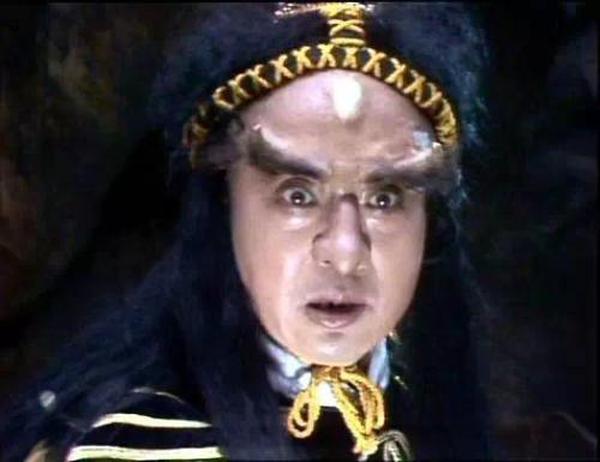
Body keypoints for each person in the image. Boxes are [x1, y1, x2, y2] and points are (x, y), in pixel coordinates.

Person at [0, 3, 491, 460]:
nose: (345, 251)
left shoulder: (419, 407)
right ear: (223, 203)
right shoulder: (125, 444)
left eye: (385, 199)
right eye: (298, 196)